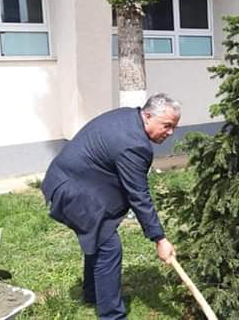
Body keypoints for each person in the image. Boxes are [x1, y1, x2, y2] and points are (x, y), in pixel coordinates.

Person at [41, 94, 180, 320]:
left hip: (68, 179)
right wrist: (160, 239)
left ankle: (93, 294)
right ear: (147, 116)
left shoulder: (129, 117)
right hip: (71, 191)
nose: (171, 132)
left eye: (174, 126)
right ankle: (112, 315)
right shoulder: (135, 144)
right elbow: (139, 195)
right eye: (167, 125)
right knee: (109, 248)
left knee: (99, 237)